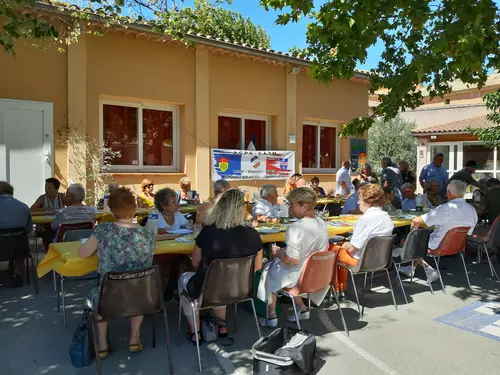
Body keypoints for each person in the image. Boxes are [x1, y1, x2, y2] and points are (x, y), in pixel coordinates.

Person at [177, 189, 263, 344]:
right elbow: (257, 267)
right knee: (220, 281)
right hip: (241, 290)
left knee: (185, 279)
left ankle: (195, 332)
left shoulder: (207, 232)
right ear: (240, 209)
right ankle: (222, 328)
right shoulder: (253, 234)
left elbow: (195, 263)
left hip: (212, 289)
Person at [78, 187, 155, 358]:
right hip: (141, 293)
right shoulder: (148, 234)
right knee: (136, 287)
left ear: (112, 211)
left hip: (109, 295)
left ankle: (102, 343)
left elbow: (82, 253)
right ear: (135, 208)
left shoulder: (103, 231)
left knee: (97, 295)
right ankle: (134, 339)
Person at [258, 187, 329, 326]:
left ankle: (271, 315)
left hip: (300, 275)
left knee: (268, 269)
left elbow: (292, 259)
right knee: (280, 268)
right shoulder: (322, 223)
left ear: (305, 206)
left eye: (292, 205)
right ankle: (302, 308)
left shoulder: (296, 227)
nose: (289, 209)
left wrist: (278, 252)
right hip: (317, 274)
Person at [331, 184, 394, 297]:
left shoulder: (364, 220)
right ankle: (341, 289)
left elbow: (351, 249)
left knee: (333, 250)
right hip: (381, 260)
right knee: (340, 249)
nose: (358, 202)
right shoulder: (386, 217)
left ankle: (338, 289)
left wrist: (344, 244)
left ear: (367, 201)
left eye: (360, 199)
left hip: (362, 262)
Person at [407, 181, 478, 280]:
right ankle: (411, 268)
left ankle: (428, 269)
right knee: (417, 240)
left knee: (409, 241)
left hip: (437, 245)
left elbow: (416, 221)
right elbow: (468, 233)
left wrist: (411, 236)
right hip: (458, 246)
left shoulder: (445, 209)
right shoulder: (472, 210)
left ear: (449, 192)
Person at [0, 181, 33, 287]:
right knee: (20, 244)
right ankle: (18, 273)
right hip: (20, 247)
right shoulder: (23, 206)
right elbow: (29, 229)